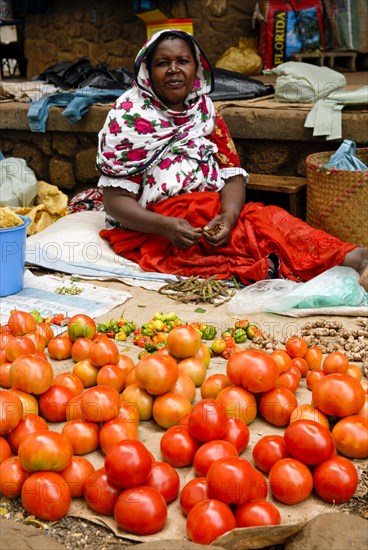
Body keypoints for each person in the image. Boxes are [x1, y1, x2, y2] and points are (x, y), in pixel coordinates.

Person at [96, 29, 368, 289]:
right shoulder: (128, 120)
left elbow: (232, 172)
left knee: (270, 218)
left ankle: (354, 255)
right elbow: (115, 202)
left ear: (197, 67)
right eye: (162, 63)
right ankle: (347, 261)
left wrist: (228, 215)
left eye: (183, 61)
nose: (174, 70)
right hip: (158, 224)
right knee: (249, 240)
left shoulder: (203, 111)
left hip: (211, 210)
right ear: (147, 71)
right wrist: (165, 226)